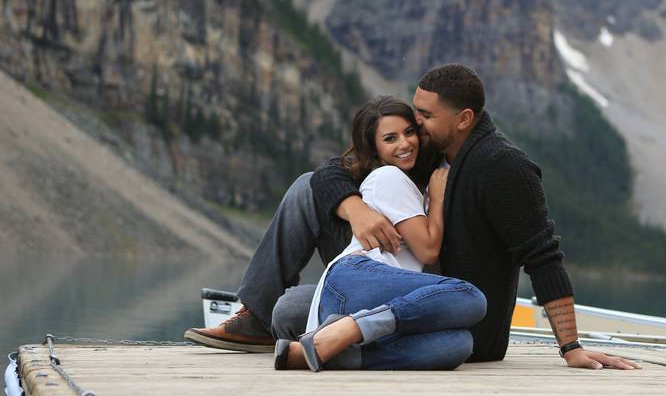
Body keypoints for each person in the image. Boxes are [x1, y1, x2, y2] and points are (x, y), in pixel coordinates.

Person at [186, 63, 639, 371]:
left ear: (462, 119)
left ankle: (329, 343)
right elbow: (331, 171)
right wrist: (354, 208)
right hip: (389, 278)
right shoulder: (426, 154)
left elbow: (543, 256)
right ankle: (257, 317)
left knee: (297, 312)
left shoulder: (503, 167)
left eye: (423, 116)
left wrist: (571, 347)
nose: (414, 129)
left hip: (443, 303)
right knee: (307, 193)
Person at [274, 95, 486, 370]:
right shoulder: (388, 178)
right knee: (471, 297)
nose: (404, 143)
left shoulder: (408, 186)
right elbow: (428, 250)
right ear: (373, 148)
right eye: (390, 138)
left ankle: (333, 351)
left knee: (457, 343)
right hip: (354, 279)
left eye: (409, 132)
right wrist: (437, 199)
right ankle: (350, 329)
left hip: (362, 299)